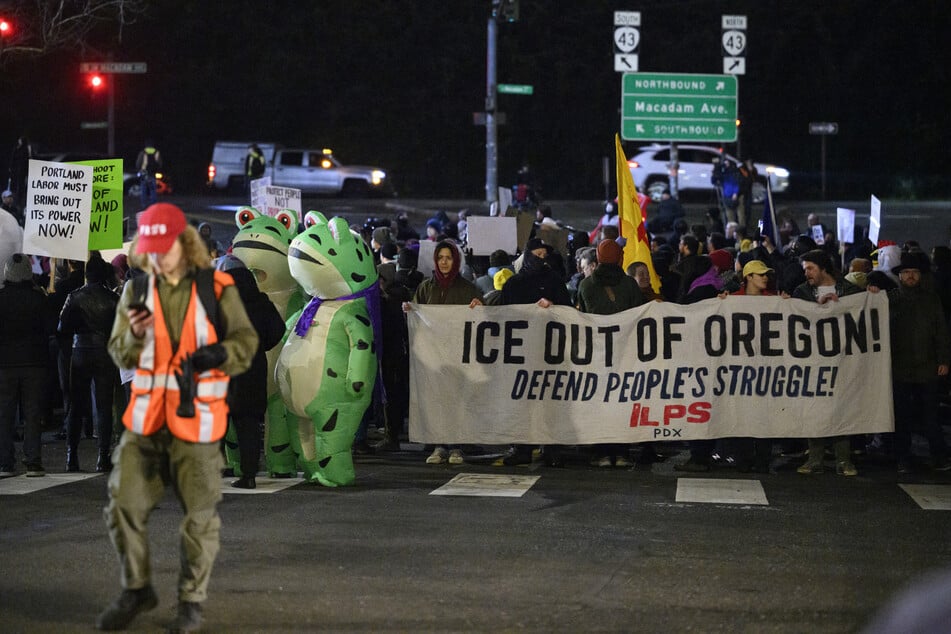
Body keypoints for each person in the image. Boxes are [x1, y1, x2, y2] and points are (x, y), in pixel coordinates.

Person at [99, 203, 258, 632]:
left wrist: (218, 354)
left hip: (197, 422)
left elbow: (246, 340)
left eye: (162, 249)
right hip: (147, 419)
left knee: (199, 517)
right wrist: (133, 336)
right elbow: (118, 352)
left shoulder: (217, 288)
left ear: (184, 245)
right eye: (148, 251)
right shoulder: (135, 292)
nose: (155, 259)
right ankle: (137, 588)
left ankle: (190, 601)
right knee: (123, 504)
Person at [869, 251, 951, 473]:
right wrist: (873, 295)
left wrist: (943, 359)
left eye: (915, 272)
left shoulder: (931, 300)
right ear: (901, 275)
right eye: (907, 272)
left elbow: (941, 331)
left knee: (930, 417)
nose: (911, 276)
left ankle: (940, 456)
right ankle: (903, 457)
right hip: (900, 367)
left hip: (927, 366)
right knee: (902, 417)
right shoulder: (890, 298)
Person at [406, 240, 482, 465]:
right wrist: (410, 310)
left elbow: (484, 319)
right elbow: (418, 316)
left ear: (456, 260)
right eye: (441, 258)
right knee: (437, 400)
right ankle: (439, 445)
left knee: (456, 400)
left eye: (449, 258)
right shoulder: (426, 287)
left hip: (458, 356)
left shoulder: (467, 288)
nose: (445, 262)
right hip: (434, 358)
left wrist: (480, 305)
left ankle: (457, 446)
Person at [793, 249, 863, 476]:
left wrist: (870, 296)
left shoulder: (850, 290)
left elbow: (863, 314)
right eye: (805, 270)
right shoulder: (802, 292)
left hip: (843, 360)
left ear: (824, 268)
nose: (807, 274)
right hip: (813, 360)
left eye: (811, 268)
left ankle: (844, 460)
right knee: (815, 408)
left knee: (841, 409)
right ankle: (815, 458)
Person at [577, 239, 646, 467]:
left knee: (600, 403)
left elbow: (581, 317)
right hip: (625, 354)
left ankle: (602, 453)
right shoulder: (629, 285)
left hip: (597, 356)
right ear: (619, 259)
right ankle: (623, 452)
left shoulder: (586, 286)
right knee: (623, 401)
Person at [219, 262, 286, 489]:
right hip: (254, 367)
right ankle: (249, 475)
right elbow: (278, 330)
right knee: (248, 423)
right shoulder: (261, 302)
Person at [58, 255, 120, 472]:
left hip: (80, 351)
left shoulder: (74, 297)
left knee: (76, 405)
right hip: (105, 352)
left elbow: (61, 327)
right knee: (104, 407)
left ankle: (71, 457)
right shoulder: (113, 299)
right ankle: (103, 457)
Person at [716, 259, 777, 472]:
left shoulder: (774, 300)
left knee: (764, 415)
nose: (765, 278)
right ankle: (743, 458)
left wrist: (788, 305)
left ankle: (762, 460)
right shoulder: (734, 300)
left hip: (766, 367)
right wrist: (721, 304)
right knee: (741, 412)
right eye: (761, 274)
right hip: (740, 367)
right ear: (748, 277)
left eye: (766, 274)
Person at [0, 254, 52, 478]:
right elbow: (50, 328)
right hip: (34, 363)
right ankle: (33, 462)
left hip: (4, 364)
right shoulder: (38, 298)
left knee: (4, 413)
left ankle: (5, 463)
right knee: (32, 413)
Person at [135, 141, 163, 209]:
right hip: (153, 173)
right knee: (153, 190)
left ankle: (144, 205)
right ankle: (153, 206)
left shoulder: (142, 152)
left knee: (143, 190)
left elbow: (138, 164)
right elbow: (160, 164)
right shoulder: (157, 152)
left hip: (144, 173)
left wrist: (139, 169)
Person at [8, 135, 33, 209]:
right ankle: (17, 201)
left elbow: (29, 158)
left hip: (23, 170)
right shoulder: (17, 149)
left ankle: (20, 201)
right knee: (18, 186)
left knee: (22, 186)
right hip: (18, 171)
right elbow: (13, 159)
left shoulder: (25, 149)